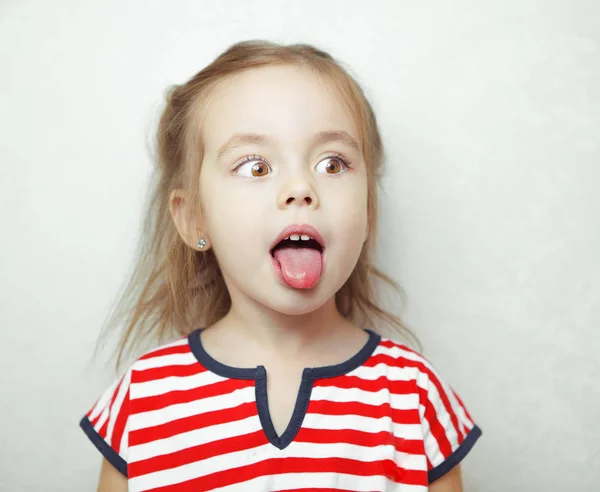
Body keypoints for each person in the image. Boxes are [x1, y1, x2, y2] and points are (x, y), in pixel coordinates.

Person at [79, 39, 482, 492]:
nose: (300, 187)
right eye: (255, 167)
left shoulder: (414, 397)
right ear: (194, 217)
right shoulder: (143, 400)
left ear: (368, 211)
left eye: (333, 163)